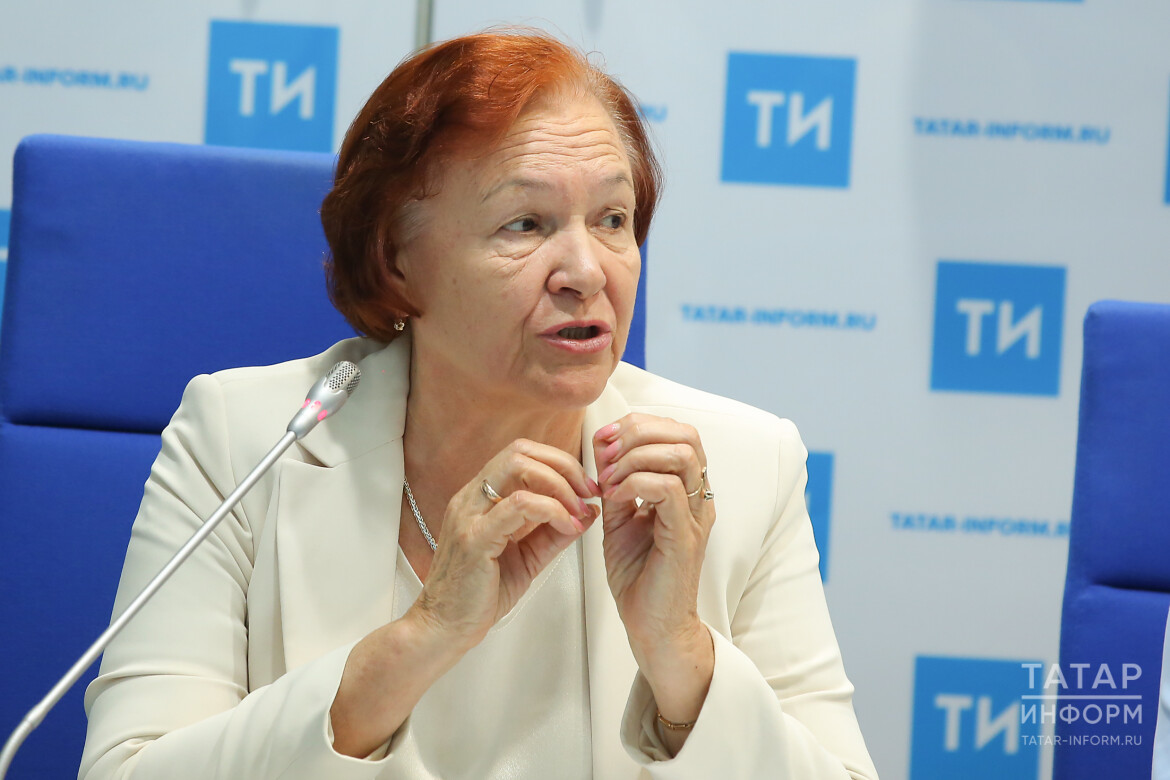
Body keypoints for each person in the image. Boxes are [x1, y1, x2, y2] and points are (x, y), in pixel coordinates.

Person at [79, 29, 878, 779]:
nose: (587, 271)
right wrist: (419, 640)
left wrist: (685, 662)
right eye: (525, 223)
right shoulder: (245, 441)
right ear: (396, 259)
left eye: (613, 219)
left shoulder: (743, 466)